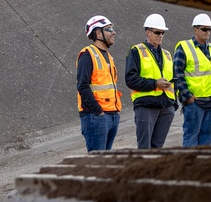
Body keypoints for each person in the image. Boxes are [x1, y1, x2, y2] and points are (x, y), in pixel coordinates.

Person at [125, 13, 177, 149]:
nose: (161, 35)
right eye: (157, 32)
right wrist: (155, 83)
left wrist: (173, 105)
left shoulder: (167, 54)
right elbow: (131, 80)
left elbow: (174, 80)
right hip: (146, 106)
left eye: (163, 32)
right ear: (148, 32)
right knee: (144, 148)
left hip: (166, 107)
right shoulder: (136, 51)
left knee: (157, 148)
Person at [173, 13, 211, 147]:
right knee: (191, 137)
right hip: (195, 103)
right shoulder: (184, 47)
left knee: (207, 137)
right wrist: (187, 97)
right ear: (195, 29)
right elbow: (178, 73)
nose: (207, 32)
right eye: (204, 29)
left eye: (209, 29)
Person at [76, 15, 122, 152]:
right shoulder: (87, 55)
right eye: (109, 29)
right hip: (96, 116)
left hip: (112, 114)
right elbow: (82, 86)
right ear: (97, 33)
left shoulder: (108, 56)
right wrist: (98, 112)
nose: (113, 32)